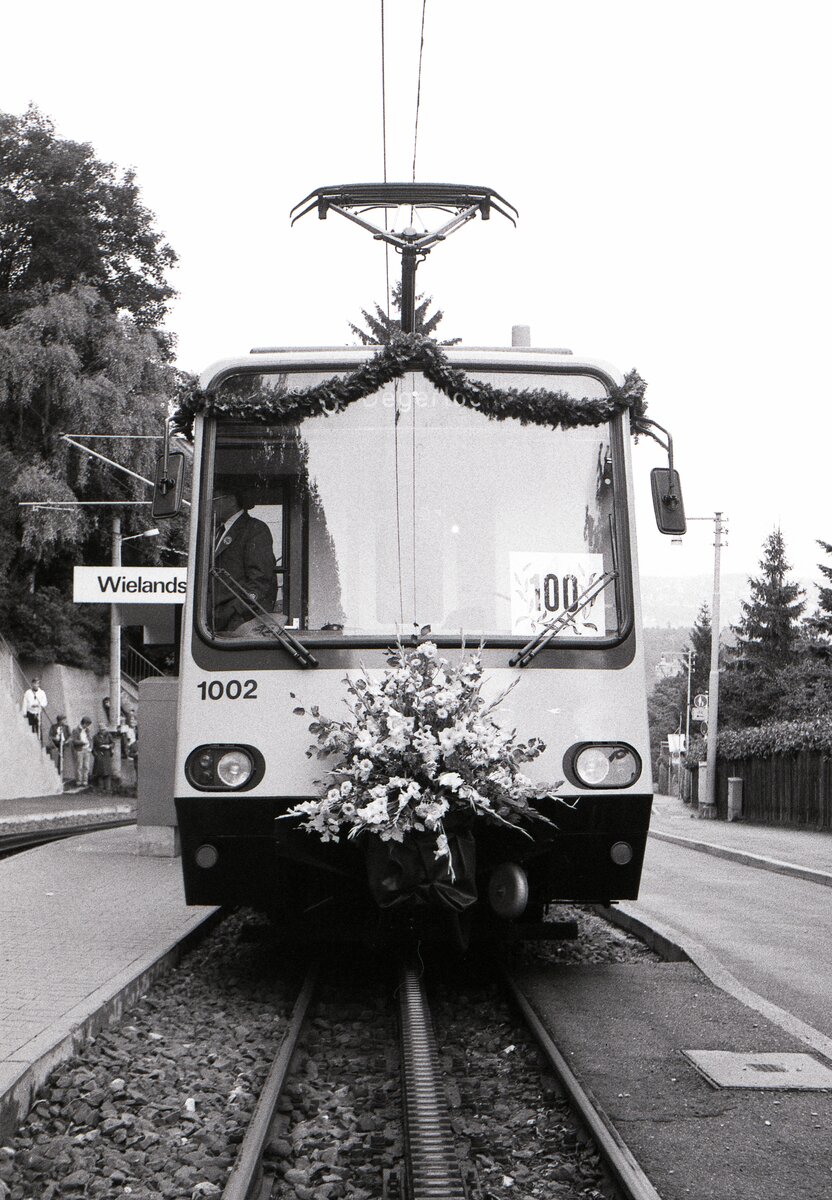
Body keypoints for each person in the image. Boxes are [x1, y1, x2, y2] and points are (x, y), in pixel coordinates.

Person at [211, 490, 277, 635]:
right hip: (216, 618)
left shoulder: (254, 529)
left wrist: (236, 612)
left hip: (238, 621)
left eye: (214, 499)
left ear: (231, 500)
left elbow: (260, 580)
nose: (211, 505)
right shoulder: (216, 531)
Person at [92, 722, 115, 792]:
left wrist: (109, 746)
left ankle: (108, 788)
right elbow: (93, 747)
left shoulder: (109, 735)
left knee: (107, 772)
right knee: (100, 772)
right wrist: (96, 755)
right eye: (101, 729)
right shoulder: (95, 737)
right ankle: (100, 788)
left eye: (103, 729)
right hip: (99, 754)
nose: (102, 730)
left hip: (107, 754)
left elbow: (113, 743)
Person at [71, 717, 93, 787]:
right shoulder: (76, 730)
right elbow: (74, 741)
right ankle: (78, 781)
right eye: (87, 724)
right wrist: (82, 742)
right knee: (79, 766)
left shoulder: (87, 730)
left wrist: (90, 747)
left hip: (87, 750)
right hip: (80, 749)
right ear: (84, 723)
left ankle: (85, 781)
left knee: (86, 766)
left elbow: (90, 739)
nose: (87, 726)